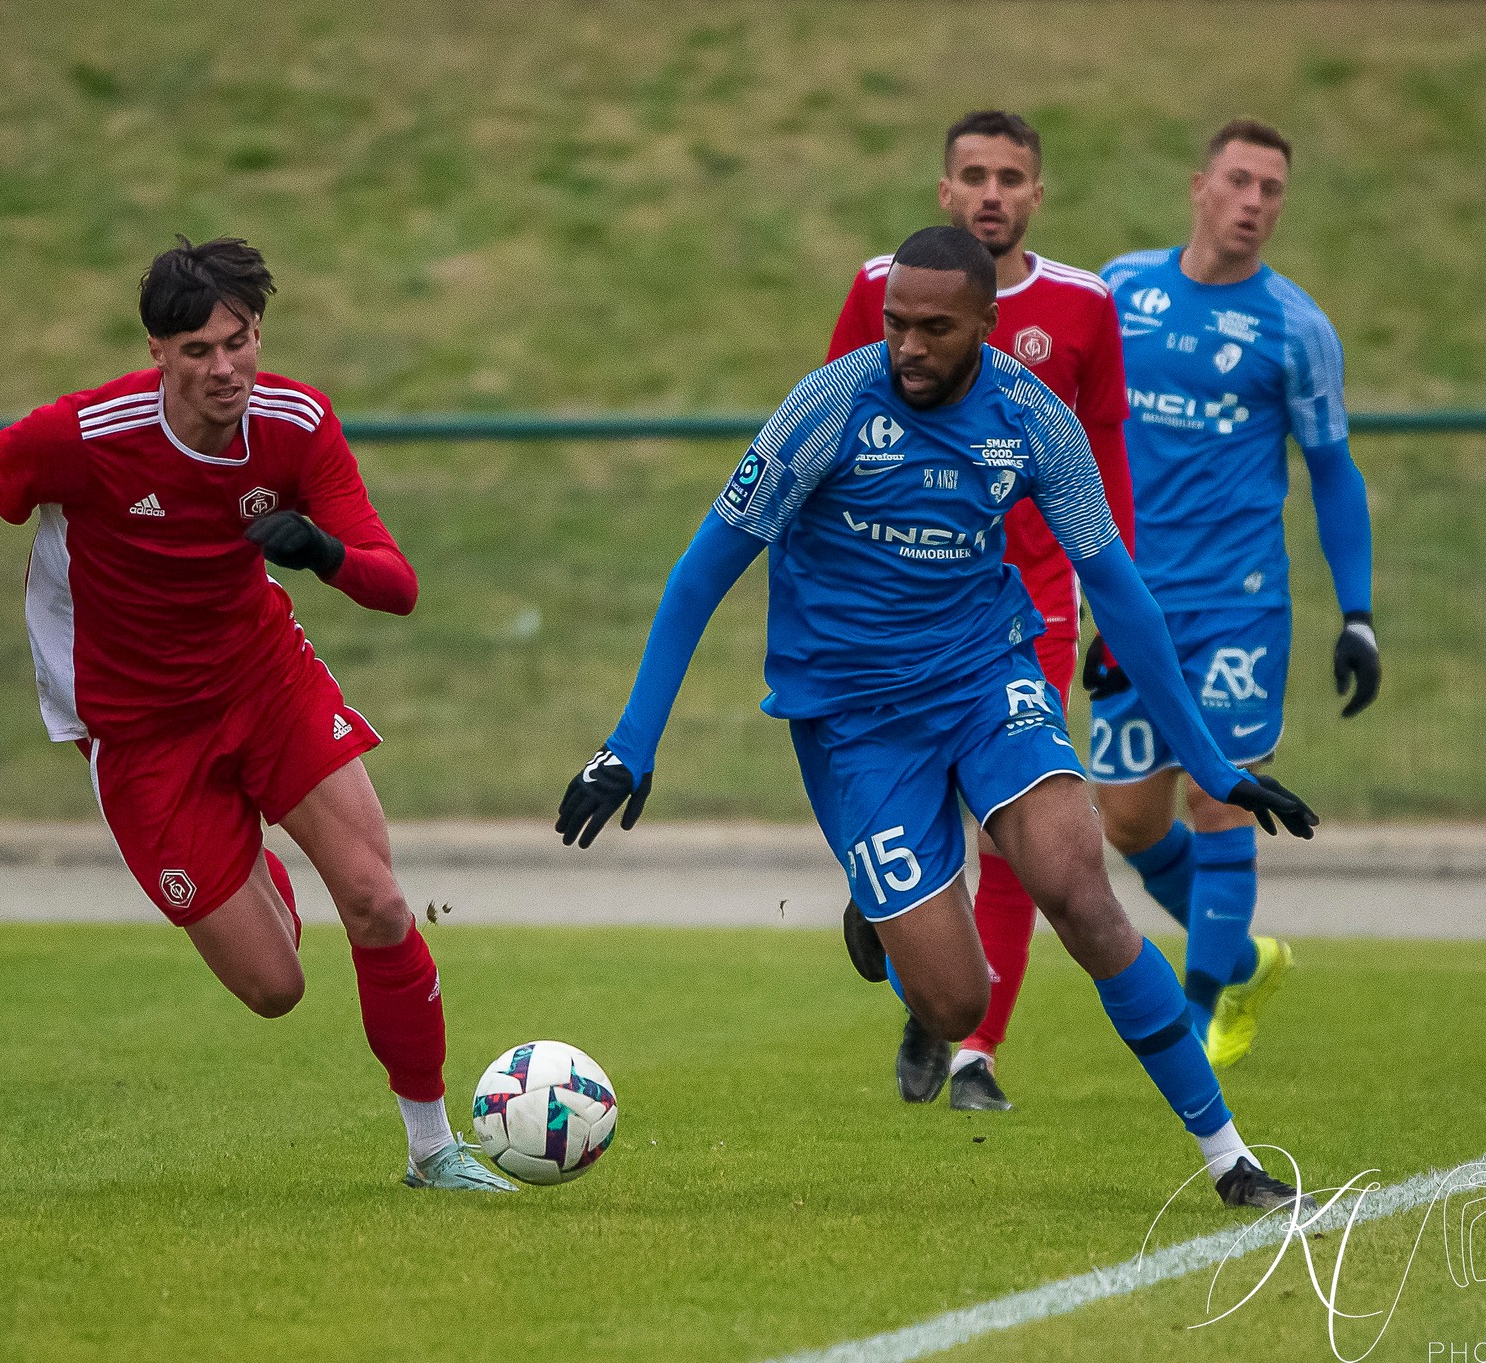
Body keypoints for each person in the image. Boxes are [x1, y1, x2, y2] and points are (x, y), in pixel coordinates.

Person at [557, 225, 1319, 1210]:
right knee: (956, 1001)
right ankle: (894, 930)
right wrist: (630, 744)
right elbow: (699, 573)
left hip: (982, 680)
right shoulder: (825, 410)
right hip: (852, 721)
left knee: (1078, 889)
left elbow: (1117, 590)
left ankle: (1229, 1159)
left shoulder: (1031, 418)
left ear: (985, 325)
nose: (906, 345)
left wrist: (1211, 766)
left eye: (933, 327)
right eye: (894, 323)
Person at [0, 236, 513, 1192]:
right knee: (275, 988)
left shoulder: (295, 423)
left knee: (375, 898)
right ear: (157, 351)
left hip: (263, 681)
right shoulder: (86, 436)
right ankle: (250, 856)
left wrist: (324, 553)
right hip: (140, 732)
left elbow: (398, 586)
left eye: (239, 341)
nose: (225, 368)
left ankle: (432, 1149)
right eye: (199, 349)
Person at [825, 109, 1135, 1113]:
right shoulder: (882, 289)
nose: (992, 191)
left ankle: (971, 1049)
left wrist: (1117, 613)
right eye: (973, 174)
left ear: (1036, 195)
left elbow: (1102, 464)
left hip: (1027, 608)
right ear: (943, 192)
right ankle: (907, 914)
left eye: (1011, 176)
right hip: (898, 609)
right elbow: (824, 427)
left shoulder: (1083, 306)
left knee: (1014, 825)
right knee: (932, 803)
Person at [1090, 120, 1378, 1069]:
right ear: (1200, 186)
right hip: (1133, 603)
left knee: (1223, 800)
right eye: (1242, 182)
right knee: (1129, 819)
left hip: (1238, 604)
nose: (1256, 203)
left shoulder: (1295, 328)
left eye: (1274, 190)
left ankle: (1201, 1010)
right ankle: (1241, 958)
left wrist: (1359, 613)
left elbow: (1333, 472)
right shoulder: (1120, 291)